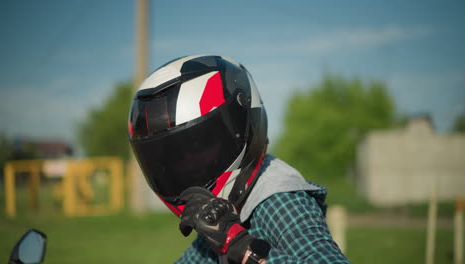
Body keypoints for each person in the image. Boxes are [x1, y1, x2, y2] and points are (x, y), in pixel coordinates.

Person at [128, 55, 350, 264]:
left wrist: (242, 248)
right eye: (173, 157)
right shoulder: (226, 212)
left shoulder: (277, 202)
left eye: (201, 145)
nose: (185, 164)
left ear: (242, 132)